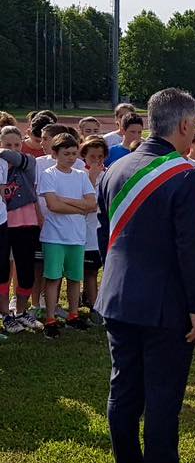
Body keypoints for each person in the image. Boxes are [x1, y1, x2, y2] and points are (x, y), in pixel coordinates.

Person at [95, 87, 195, 463]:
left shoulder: (115, 169)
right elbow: (190, 249)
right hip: (165, 305)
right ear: (183, 125)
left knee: (123, 390)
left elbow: (104, 234)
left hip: (116, 297)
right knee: (163, 396)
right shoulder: (184, 174)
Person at [37, 133, 97, 337]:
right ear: (55, 154)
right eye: (66, 154)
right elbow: (53, 206)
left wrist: (66, 200)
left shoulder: (81, 175)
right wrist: (79, 207)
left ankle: (73, 315)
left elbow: (92, 204)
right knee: (53, 278)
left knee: (74, 278)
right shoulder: (48, 174)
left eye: (74, 153)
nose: (71, 157)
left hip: (76, 236)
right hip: (54, 236)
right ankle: (51, 319)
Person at [0, 126, 43, 332]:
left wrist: (3, 151)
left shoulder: (28, 161)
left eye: (17, 144)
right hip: (4, 224)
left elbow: (16, 159)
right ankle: (5, 315)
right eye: (8, 145)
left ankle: (21, 311)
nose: (13, 149)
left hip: (26, 222)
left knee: (26, 269)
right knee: (2, 271)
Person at [79, 136, 108, 320]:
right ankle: (91, 303)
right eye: (92, 156)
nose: (96, 160)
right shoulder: (79, 174)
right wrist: (91, 177)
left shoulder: (108, 174)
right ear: (84, 156)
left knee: (98, 270)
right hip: (82, 230)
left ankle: (98, 304)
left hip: (100, 230)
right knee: (85, 271)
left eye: (100, 156)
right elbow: (83, 201)